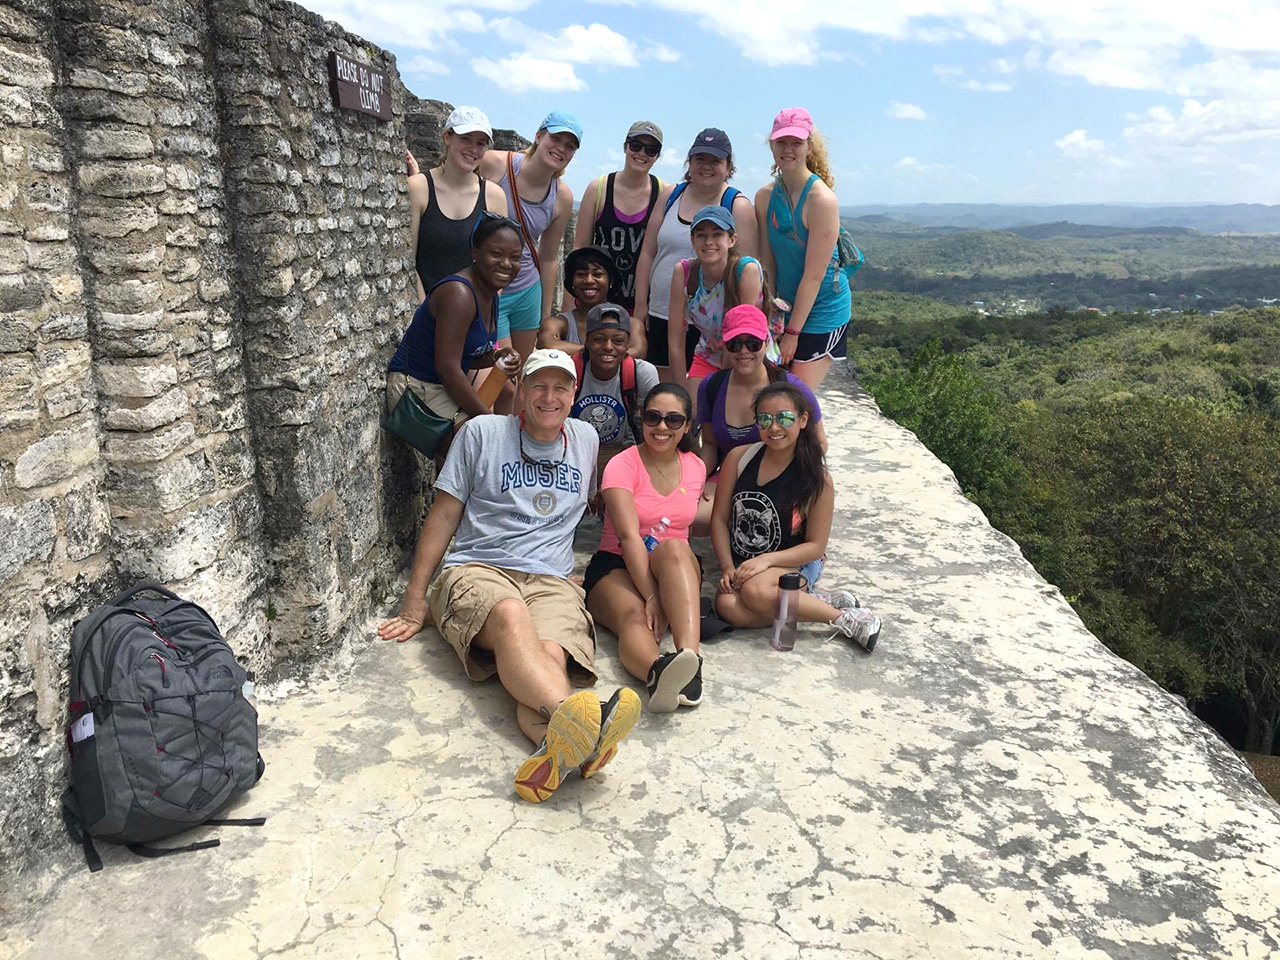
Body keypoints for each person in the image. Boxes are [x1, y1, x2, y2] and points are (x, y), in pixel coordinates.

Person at [378, 349, 642, 803]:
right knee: (510, 614)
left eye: (561, 387)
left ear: (574, 394)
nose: (549, 397)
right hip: (479, 568)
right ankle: (584, 725)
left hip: (552, 580)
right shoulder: (482, 433)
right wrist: (415, 598)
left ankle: (559, 749)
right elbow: (442, 516)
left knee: (549, 659)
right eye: (539, 385)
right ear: (520, 390)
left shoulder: (584, 439)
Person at [711, 382, 881, 647]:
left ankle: (844, 618)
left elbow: (816, 546)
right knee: (727, 606)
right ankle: (810, 601)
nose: (774, 427)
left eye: (785, 418)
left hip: (795, 561)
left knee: (754, 592)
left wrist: (766, 561)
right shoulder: (739, 458)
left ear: (803, 420)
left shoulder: (816, 478)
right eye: (765, 419)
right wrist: (727, 567)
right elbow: (720, 519)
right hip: (746, 563)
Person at [585, 383, 708, 712]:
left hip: (673, 567)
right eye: (653, 417)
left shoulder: (695, 466)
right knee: (636, 616)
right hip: (617, 563)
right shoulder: (622, 465)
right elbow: (628, 537)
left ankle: (690, 661)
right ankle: (659, 673)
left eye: (673, 419)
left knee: (674, 549)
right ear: (641, 419)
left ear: (686, 424)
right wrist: (653, 597)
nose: (662, 427)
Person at [386, 213, 524, 460]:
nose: (506, 264)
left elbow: (468, 356)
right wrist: (486, 421)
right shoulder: (459, 294)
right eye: (496, 254)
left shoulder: (490, 293)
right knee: (478, 448)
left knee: (504, 402)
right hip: (415, 388)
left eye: (515, 258)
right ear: (475, 253)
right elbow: (448, 367)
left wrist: (497, 357)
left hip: (439, 385)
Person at [633, 128, 756, 380]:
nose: (706, 166)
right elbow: (648, 252)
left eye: (715, 160)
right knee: (664, 391)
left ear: (728, 166)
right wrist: (640, 305)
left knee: (706, 394)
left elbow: (744, 269)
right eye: (700, 159)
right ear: (689, 162)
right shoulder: (671, 195)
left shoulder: (737, 205)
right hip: (660, 312)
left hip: (713, 326)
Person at [754, 108, 851, 391]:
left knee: (795, 397)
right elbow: (767, 262)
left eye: (795, 142)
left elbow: (813, 276)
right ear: (771, 145)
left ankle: (816, 439)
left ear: (809, 146)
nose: (788, 149)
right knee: (775, 395)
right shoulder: (764, 197)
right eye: (781, 142)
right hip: (784, 309)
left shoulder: (821, 200)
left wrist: (793, 334)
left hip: (823, 310)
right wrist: (769, 319)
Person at [478, 111, 580, 366]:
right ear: (539, 136)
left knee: (523, 371)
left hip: (526, 290)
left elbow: (548, 258)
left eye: (569, 146)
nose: (561, 149)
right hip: (489, 288)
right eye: (556, 139)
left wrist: (545, 318)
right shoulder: (495, 165)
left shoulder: (561, 197)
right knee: (499, 374)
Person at [696, 304, 828, 479]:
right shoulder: (711, 387)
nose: (744, 351)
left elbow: (819, 443)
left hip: (780, 480)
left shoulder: (792, 388)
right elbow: (710, 445)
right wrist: (695, 481)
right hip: (728, 477)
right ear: (725, 346)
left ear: (767, 343)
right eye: (735, 344)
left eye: (753, 343)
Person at [407, 106, 508, 302]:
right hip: (426, 315)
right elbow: (408, 261)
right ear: (447, 137)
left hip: (476, 314)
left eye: (481, 143)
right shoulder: (419, 188)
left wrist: (482, 311)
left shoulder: (494, 196)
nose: (473, 149)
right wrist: (424, 313)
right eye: (465, 139)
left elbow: (499, 265)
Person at [667, 205, 765, 405]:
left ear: (732, 240)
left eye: (717, 234)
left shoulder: (746, 271)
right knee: (691, 417)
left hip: (748, 356)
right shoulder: (685, 273)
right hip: (708, 354)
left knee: (734, 424)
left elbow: (742, 337)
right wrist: (682, 397)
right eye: (701, 235)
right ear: (692, 240)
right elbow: (675, 340)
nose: (709, 242)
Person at [574, 121, 664, 326]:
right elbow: (579, 248)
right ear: (625, 146)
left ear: (657, 156)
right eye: (635, 145)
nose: (642, 153)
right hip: (594, 300)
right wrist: (570, 306)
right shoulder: (599, 189)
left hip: (639, 303)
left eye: (651, 149)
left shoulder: (662, 194)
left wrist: (643, 307)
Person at [567, 303, 660, 469]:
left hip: (621, 451)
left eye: (618, 341)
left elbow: (654, 425)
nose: (608, 347)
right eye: (599, 339)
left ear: (627, 345)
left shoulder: (641, 373)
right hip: (576, 451)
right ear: (586, 342)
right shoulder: (571, 370)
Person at [537, 245, 620, 356]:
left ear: (611, 281)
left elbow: (639, 350)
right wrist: (602, 352)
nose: (589, 280)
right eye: (581, 275)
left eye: (597, 274)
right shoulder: (558, 323)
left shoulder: (631, 323)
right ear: (572, 282)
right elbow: (547, 345)